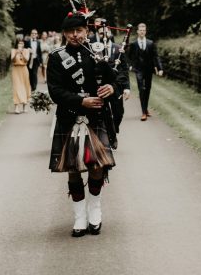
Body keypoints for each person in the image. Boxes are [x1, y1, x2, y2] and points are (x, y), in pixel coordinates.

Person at [47, 13, 122, 238]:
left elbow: (115, 79)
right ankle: (79, 217)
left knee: (96, 166)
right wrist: (81, 101)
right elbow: (55, 91)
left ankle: (94, 210)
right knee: (73, 169)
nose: (75, 35)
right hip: (70, 118)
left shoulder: (97, 54)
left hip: (97, 118)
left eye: (79, 30)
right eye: (70, 31)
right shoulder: (57, 57)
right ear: (64, 33)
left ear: (86, 31)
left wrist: (112, 88)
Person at [128, 22, 163, 121]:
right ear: (138, 31)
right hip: (138, 69)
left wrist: (159, 68)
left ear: (145, 31)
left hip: (148, 69)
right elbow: (129, 56)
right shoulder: (134, 44)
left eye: (144, 30)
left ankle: (145, 109)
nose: (142, 32)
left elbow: (156, 56)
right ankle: (143, 113)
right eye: (141, 30)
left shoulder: (150, 43)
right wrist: (131, 65)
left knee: (147, 89)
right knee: (141, 89)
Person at [98, 26, 130, 134]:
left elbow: (124, 70)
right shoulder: (96, 49)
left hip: (116, 86)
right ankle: (108, 136)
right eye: (101, 33)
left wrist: (126, 87)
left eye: (105, 32)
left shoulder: (119, 49)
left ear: (110, 33)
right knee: (103, 113)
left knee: (118, 113)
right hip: (102, 87)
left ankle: (114, 128)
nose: (104, 35)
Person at [10, 38, 31, 114]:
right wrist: (16, 53)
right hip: (16, 69)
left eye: (22, 43)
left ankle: (25, 106)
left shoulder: (26, 50)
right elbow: (12, 60)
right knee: (16, 87)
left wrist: (22, 53)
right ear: (17, 44)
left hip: (24, 69)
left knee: (25, 86)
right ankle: (16, 107)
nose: (20, 45)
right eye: (19, 43)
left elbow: (27, 60)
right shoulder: (13, 50)